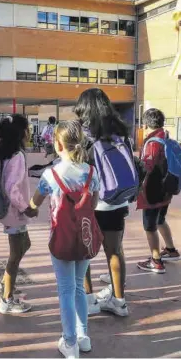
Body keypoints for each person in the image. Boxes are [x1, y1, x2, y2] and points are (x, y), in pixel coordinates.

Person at [30, 120, 100, 358]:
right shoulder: (91, 172)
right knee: (79, 286)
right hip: (85, 236)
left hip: (61, 237)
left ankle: (69, 343)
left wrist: (26, 209)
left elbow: (35, 202)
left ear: (58, 144)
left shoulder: (51, 174)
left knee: (66, 290)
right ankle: (83, 337)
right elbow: (94, 203)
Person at [75, 88, 131, 317]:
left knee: (84, 252)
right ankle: (119, 302)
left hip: (92, 203)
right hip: (117, 200)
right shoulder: (120, 131)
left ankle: (89, 300)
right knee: (115, 251)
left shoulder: (85, 135)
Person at [0, 115, 36, 314]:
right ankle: (6, 299)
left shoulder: (6, 154)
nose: (29, 132)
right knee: (15, 254)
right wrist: (26, 207)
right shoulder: (17, 156)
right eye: (27, 128)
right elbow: (12, 188)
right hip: (14, 212)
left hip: (10, 211)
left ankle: (3, 284)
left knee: (24, 245)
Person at [136, 108, 180, 273]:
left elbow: (147, 167)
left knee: (150, 226)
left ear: (146, 123)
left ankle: (156, 261)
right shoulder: (166, 137)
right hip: (166, 190)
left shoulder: (153, 142)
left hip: (152, 192)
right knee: (160, 220)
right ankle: (170, 250)